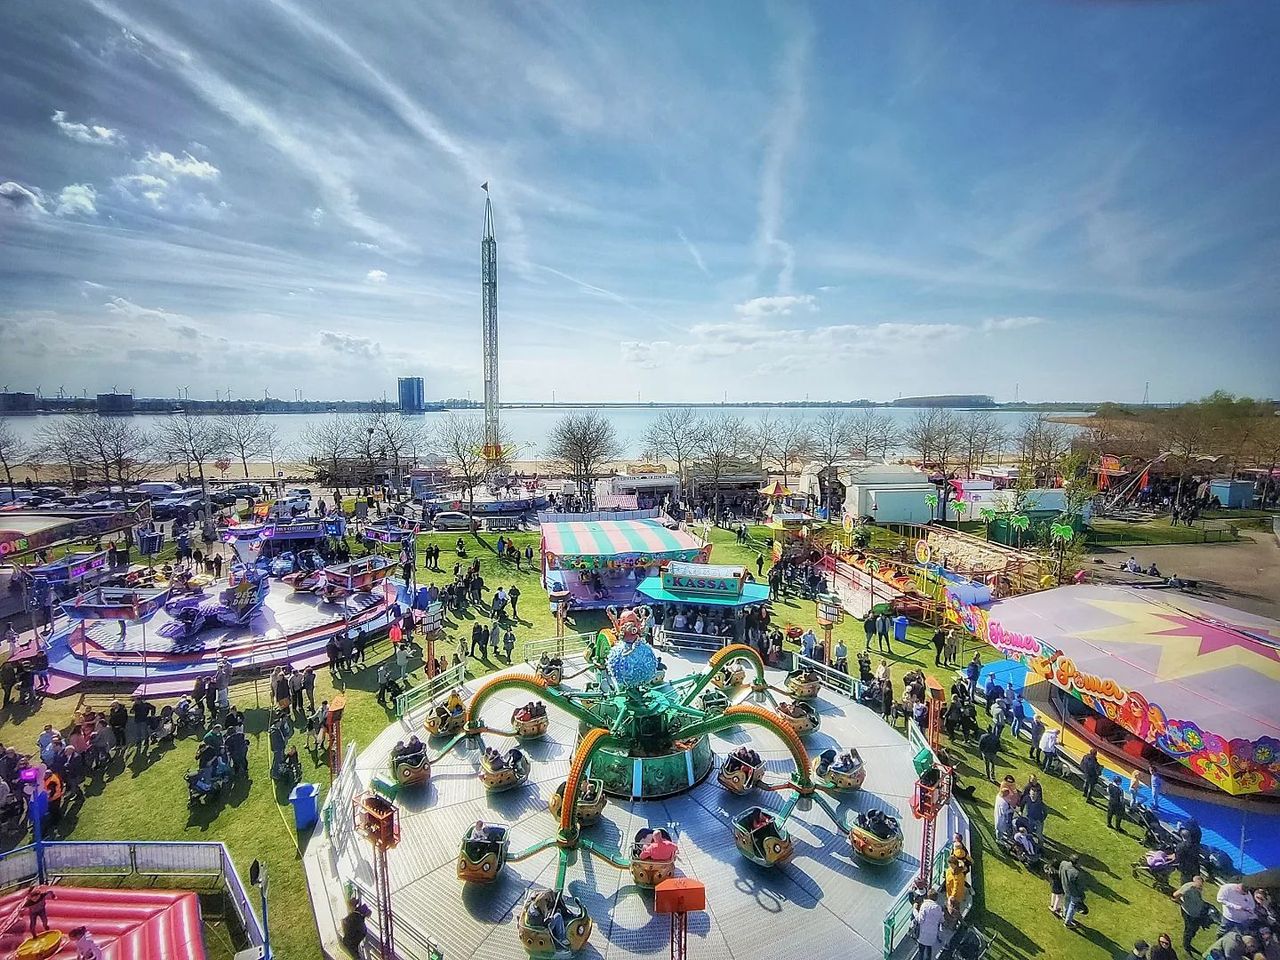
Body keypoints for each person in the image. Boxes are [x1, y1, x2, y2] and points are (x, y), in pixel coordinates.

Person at [911, 890, 944, 960]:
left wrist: (915, 910)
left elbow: (920, 920)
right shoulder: (938, 908)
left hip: (923, 934)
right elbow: (942, 920)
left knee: (921, 951)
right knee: (929, 949)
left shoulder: (925, 906)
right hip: (932, 935)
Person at [1060, 853, 1086, 929]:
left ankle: (1064, 914)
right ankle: (1067, 922)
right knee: (1072, 906)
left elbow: (1060, 873)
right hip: (1074, 892)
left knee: (1066, 901)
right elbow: (1080, 886)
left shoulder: (1063, 863)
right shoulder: (1076, 873)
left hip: (1065, 887)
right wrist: (1081, 895)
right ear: (1077, 863)